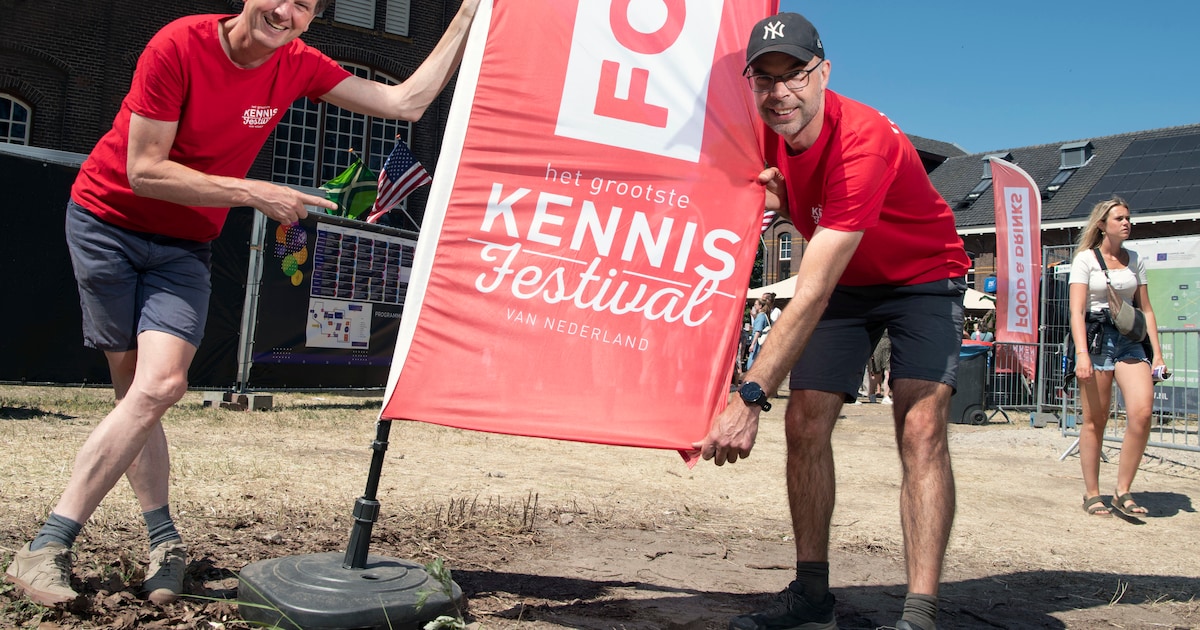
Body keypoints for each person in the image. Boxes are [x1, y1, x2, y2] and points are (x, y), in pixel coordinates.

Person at [3, 0, 480, 608]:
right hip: (108, 222)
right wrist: (253, 191)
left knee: (158, 387)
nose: (284, 12)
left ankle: (55, 544)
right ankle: (149, 541)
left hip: (183, 245)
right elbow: (145, 170)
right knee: (137, 393)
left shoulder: (297, 62)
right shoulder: (178, 46)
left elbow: (406, 102)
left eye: (303, 6)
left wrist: (467, 12)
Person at [694, 12, 971, 630]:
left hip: (923, 274)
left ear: (823, 74)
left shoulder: (864, 139)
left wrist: (748, 395)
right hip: (849, 280)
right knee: (805, 421)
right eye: (764, 80)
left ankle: (920, 612)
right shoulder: (764, 135)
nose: (779, 92)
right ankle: (812, 598)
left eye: (794, 75)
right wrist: (777, 199)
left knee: (919, 427)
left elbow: (811, 288)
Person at [1068, 197, 1165, 518]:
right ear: (1102, 225)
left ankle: (1123, 490)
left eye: (1128, 218)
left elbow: (1146, 309)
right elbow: (1077, 311)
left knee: (1142, 411)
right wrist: (1081, 354)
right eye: (1119, 218)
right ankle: (1092, 493)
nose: (1126, 223)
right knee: (1096, 419)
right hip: (1095, 338)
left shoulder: (1135, 259)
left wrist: (1159, 354)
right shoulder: (1085, 260)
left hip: (1129, 340)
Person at [745, 297, 771, 371]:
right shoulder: (762, 316)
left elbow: (758, 331)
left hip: (757, 341)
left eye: (756, 304)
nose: (754, 306)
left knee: (752, 360)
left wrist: (752, 344)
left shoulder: (760, 316)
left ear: (760, 306)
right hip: (758, 341)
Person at [868, 330, 892, 404]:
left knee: (888, 371)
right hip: (877, 346)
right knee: (876, 373)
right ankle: (871, 394)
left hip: (889, 346)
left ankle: (886, 396)